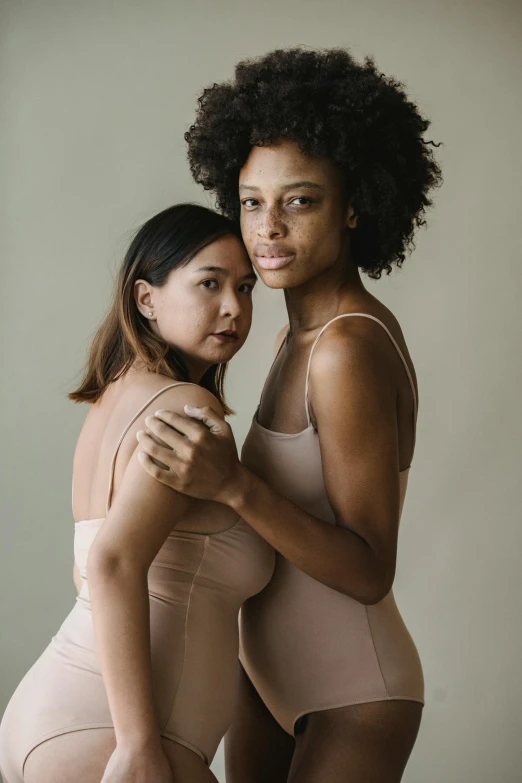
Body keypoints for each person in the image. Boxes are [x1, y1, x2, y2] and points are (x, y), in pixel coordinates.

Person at [136, 48, 442, 783]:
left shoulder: (347, 348)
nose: (267, 227)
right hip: (266, 681)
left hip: (354, 693)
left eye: (299, 201)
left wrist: (235, 486)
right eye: (250, 201)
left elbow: (369, 569)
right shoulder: (288, 336)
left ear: (355, 205)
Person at [0, 203, 275, 783]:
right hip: (115, 737)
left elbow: (88, 572)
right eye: (210, 283)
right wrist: (138, 744)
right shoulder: (186, 409)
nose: (234, 307)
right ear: (146, 299)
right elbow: (112, 563)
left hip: (53, 718)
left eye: (246, 287)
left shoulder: (115, 402)